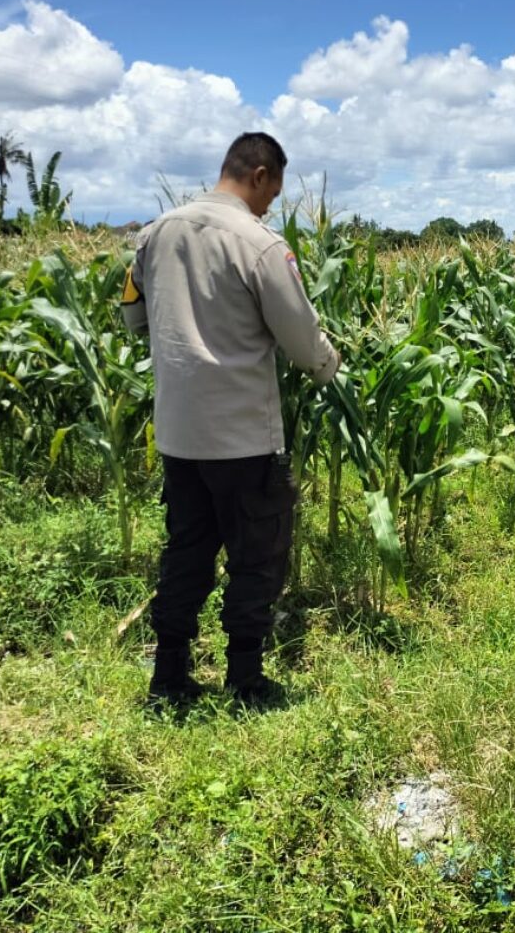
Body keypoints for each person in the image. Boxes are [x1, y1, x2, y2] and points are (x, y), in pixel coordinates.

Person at [121, 132, 340, 707]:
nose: (270, 205)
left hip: (178, 432)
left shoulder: (153, 235)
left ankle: (169, 676)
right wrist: (328, 365)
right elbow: (301, 340)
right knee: (257, 554)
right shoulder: (260, 245)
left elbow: (131, 318)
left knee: (186, 550)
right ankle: (245, 680)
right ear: (260, 174)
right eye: (273, 192)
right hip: (242, 435)